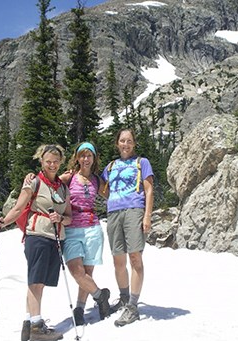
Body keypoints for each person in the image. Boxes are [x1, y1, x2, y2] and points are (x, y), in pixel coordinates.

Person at [0, 144, 72, 341]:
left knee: (39, 282)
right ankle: (36, 326)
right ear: (41, 162)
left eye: (55, 161)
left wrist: (60, 219)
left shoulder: (62, 188)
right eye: (48, 162)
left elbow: (69, 217)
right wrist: (3, 221)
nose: (52, 165)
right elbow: (19, 208)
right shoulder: (33, 182)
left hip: (55, 238)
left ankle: (29, 324)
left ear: (60, 162)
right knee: (35, 281)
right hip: (37, 235)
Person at [101, 128, 154, 327]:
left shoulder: (142, 163)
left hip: (134, 210)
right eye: (122, 141)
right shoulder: (111, 166)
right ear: (117, 143)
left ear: (134, 144)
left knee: (135, 257)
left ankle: (132, 306)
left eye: (129, 141)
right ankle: (123, 298)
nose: (125, 144)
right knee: (118, 259)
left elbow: (149, 189)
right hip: (114, 213)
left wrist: (147, 215)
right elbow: (101, 186)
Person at [58, 142, 110, 325]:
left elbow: (113, 194)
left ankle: (80, 309)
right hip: (71, 228)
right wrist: (33, 179)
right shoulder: (69, 177)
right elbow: (50, 183)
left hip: (93, 228)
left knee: (87, 272)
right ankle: (100, 296)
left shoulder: (97, 180)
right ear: (77, 158)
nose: (86, 159)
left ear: (94, 158)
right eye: (82, 155)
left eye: (89, 156)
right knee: (77, 272)